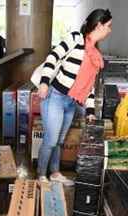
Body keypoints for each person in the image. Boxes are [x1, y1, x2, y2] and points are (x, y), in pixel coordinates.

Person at [35, 8, 112, 185]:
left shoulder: (94, 53)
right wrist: (45, 81)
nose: (110, 30)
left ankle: (54, 173)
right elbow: (53, 56)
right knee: (51, 139)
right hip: (54, 97)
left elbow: (89, 86)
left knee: (60, 141)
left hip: (70, 102)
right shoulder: (75, 38)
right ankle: (41, 175)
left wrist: (90, 111)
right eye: (108, 26)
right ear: (99, 25)